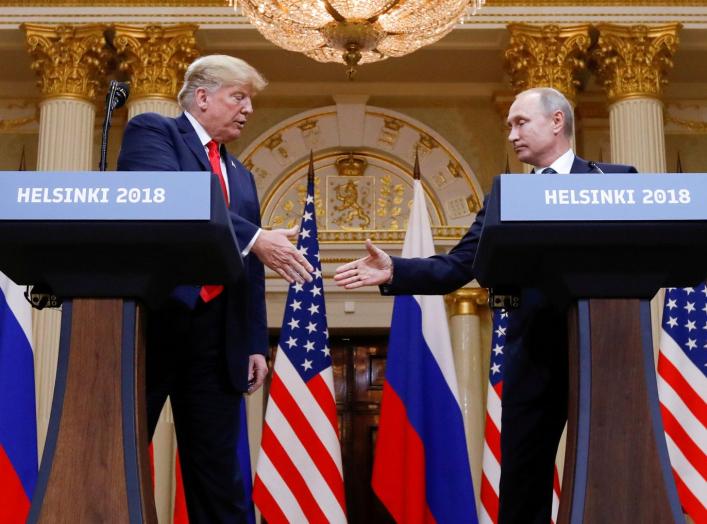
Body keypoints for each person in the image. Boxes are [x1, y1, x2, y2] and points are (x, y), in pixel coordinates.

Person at [334, 87, 637, 524]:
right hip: (532, 352)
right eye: (508, 125)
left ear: (556, 121)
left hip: (604, 348)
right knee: (523, 480)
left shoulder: (614, 180)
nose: (511, 134)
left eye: (520, 122)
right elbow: (458, 265)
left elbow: (638, 252)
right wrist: (395, 271)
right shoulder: (505, 195)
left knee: (614, 470)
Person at [117, 55, 313, 523]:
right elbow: (165, 197)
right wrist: (253, 236)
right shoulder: (154, 132)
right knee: (119, 451)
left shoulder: (241, 175)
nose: (247, 109)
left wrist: (252, 343)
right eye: (238, 97)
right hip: (154, 324)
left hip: (217, 338)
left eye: (250, 100)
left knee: (219, 477)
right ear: (202, 97)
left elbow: (247, 270)